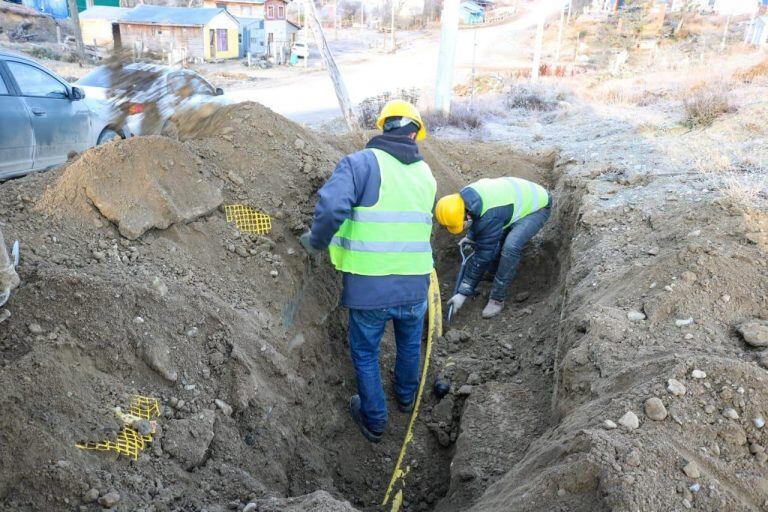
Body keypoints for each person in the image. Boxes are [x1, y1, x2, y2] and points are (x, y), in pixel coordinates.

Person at [299, 100, 436, 443]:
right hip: (416, 286)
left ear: (382, 127)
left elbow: (331, 208)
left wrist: (316, 242)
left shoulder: (361, 164)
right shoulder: (426, 175)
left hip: (370, 289)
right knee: (408, 344)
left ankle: (375, 421)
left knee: (364, 352)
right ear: (415, 133)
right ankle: (406, 397)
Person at [435, 177, 552, 319]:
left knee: (510, 246)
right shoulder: (465, 198)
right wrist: (471, 236)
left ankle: (497, 298)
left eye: (461, 225)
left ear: (467, 214)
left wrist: (463, 292)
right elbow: (477, 219)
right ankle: (491, 274)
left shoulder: (489, 216)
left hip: (537, 207)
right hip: (511, 203)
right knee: (498, 235)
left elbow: (484, 255)